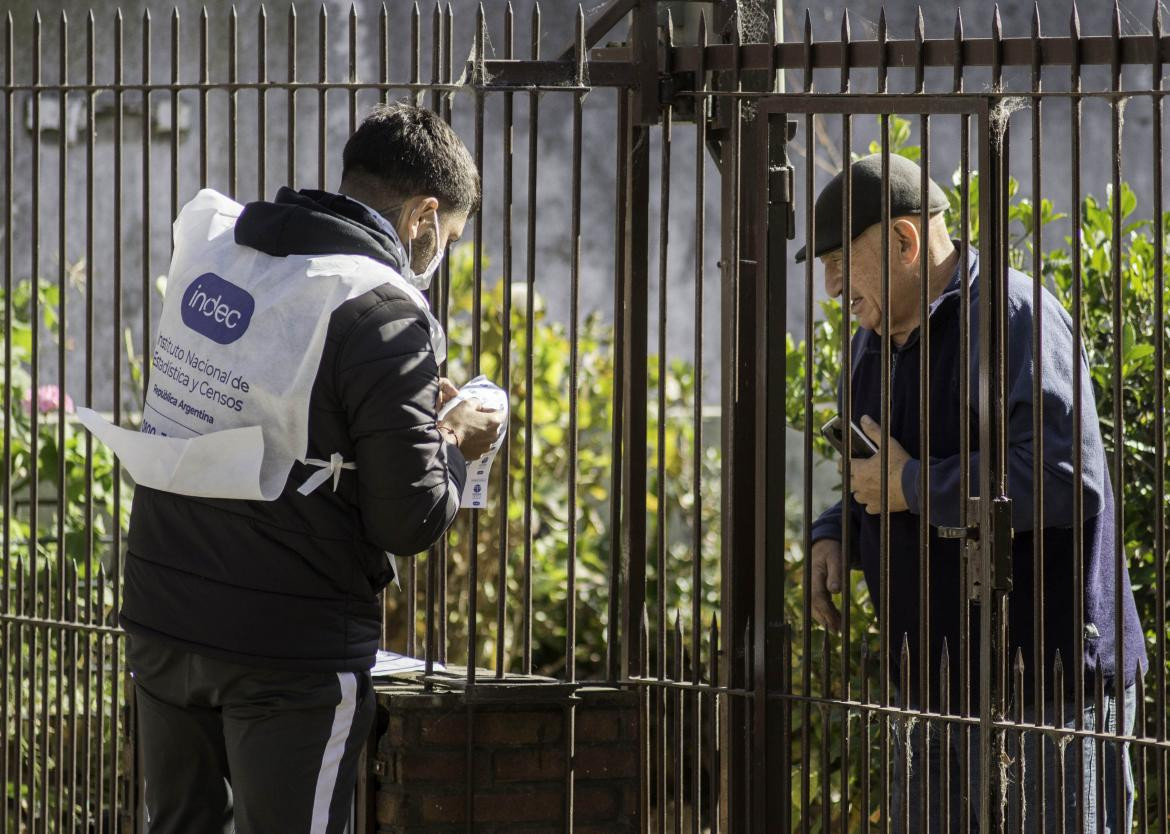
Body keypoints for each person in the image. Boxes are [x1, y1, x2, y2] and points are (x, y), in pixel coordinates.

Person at [117, 103, 503, 833]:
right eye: (448, 236)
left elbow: (263, 407)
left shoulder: (228, 247)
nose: (438, 255)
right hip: (287, 644)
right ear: (423, 217)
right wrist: (456, 440)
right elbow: (409, 516)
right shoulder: (384, 308)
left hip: (163, 611)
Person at [801, 153, 1147, 833]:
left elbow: (1066, 479)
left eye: (840, 260)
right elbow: (887, 460)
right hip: (934, 686)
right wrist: (838, 526)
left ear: (904, 240)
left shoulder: (1015, 317)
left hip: (1047, 693)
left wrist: (911, 485)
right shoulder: (874, 342)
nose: (832, 287)